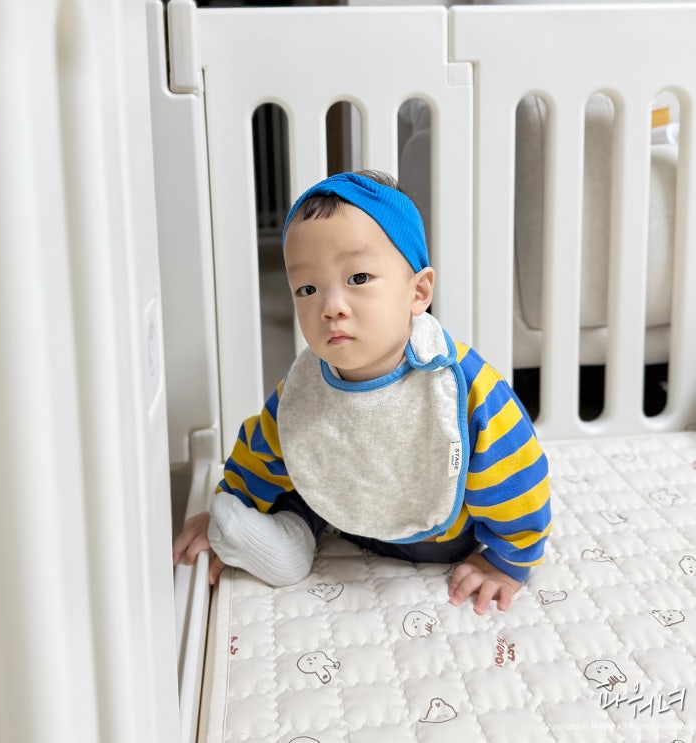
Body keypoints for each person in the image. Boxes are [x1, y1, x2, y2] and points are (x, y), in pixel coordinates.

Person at [173, 170, 551, 614]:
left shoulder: (456, 384)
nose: (331, 306)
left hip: (438, 539)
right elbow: (267, 446)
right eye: (308, 288)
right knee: (300, 478)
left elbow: (516, 470)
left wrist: (507, 562)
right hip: (339, 511)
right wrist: (232, 501)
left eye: (358, 278)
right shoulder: (307, 385)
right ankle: (281, 543)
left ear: (419, 292)